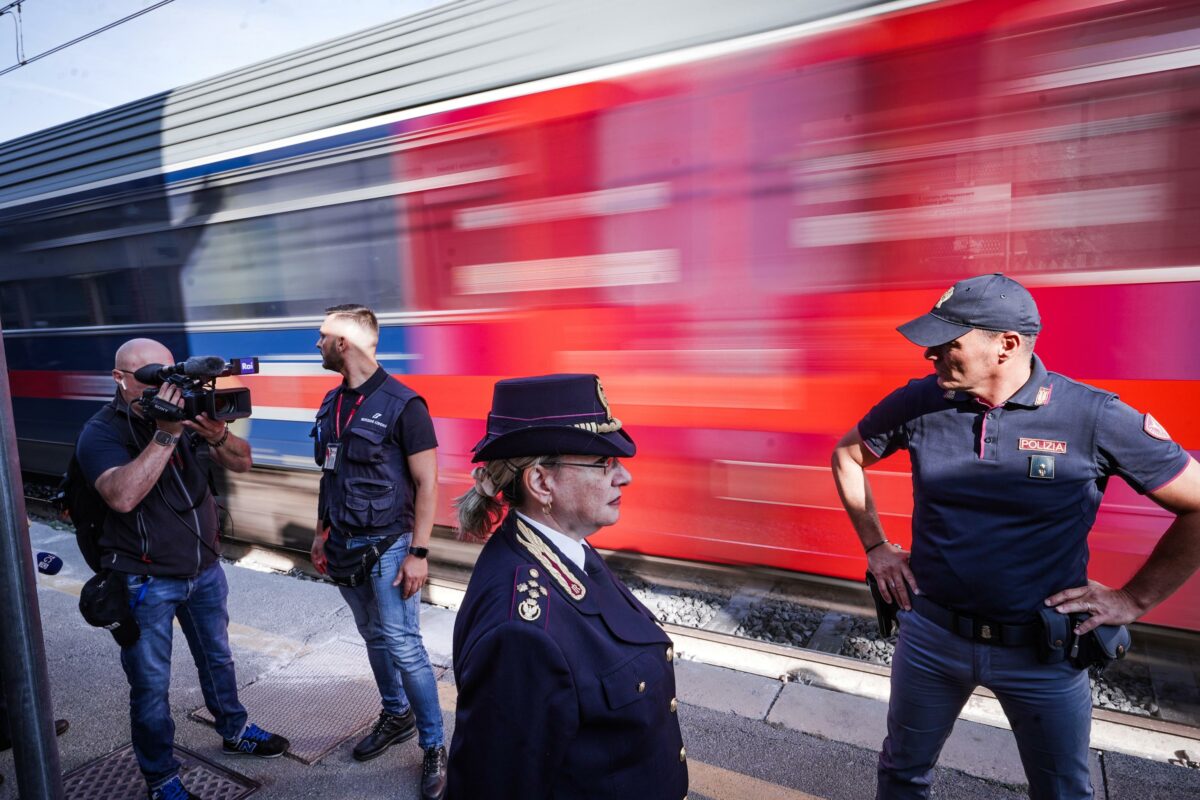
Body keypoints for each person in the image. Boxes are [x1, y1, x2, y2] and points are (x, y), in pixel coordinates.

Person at [830, 273, 1200, 799]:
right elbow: (847, 455)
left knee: (1062, 791)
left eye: (947, 343)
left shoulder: (1092, 416)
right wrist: (875, 548)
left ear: (1005, 345)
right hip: (932, 638)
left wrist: (1134, 599)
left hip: (1041, 654)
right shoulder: (920, 403)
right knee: (902, 773)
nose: (930, 355)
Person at [447, 374, 688, 800]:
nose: (624, 476)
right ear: (541, 483)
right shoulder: (520, 632)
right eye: (603, 464)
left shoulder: (563, 547)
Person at [75, 338, 289, 800]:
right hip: (142, 580)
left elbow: (244, 463)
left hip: (204, 571)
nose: (168, 385)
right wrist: (166, 433)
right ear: (120, 380)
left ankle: (234, 728)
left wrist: (216, 435)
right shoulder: (101, 431)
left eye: (172, 373)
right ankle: (161, 777)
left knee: (219, 660)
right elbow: (122, 496)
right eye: (152, 375)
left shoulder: (188, 414)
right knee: (151, 686)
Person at [309, 304, 446, 799]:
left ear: (344, 342)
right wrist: (320, 531)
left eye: (322, 336)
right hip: (344, 544)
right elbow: (330, 473)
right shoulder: (331, 404)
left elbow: (428, 483)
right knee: (372, 636)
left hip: (390, 545)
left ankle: (434, 745)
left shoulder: (404, 404)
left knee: (403, 644)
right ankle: (396, 716)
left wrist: (420, 552)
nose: (316, 344)